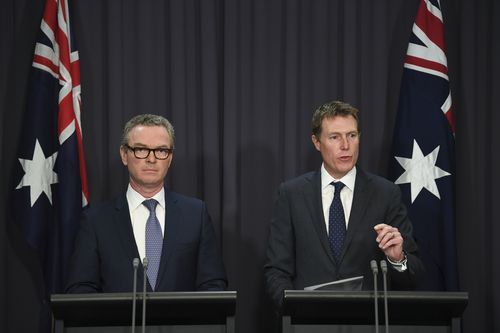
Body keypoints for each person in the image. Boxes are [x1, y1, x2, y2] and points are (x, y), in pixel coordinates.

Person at [264, 100, 424, 307]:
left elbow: (415, 274)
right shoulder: (292, 194)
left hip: (368, 322)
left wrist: (397, 258)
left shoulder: (385, 193)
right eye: (334, 137)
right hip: (307, 322)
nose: (345, 145)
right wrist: (294, 311)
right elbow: (277, 270)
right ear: (316, 142)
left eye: (352, 135)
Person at [66, 114, 227, 293]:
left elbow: (213, 286)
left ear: (170, 158)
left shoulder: (196, 215)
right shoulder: (96, 220)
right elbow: (81, 289)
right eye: (141, 149)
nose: (151, 159)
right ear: (124, 155)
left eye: (161, 150)